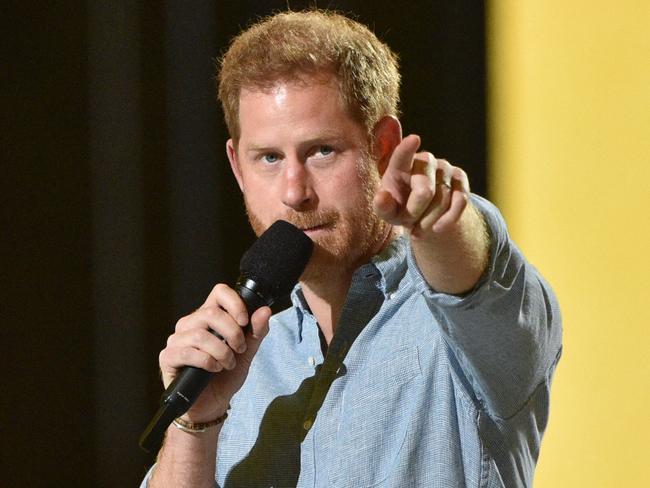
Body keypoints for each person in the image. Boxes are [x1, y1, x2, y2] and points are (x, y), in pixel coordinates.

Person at [141, 9, 562, 488]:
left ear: (382, 147)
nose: (295, 191)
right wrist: (196, 422)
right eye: (270, 158)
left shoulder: (468, 332)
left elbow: (475, 265)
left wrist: (441, 217)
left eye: (322, 151)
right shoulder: (241, 360)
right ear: (237, 167)